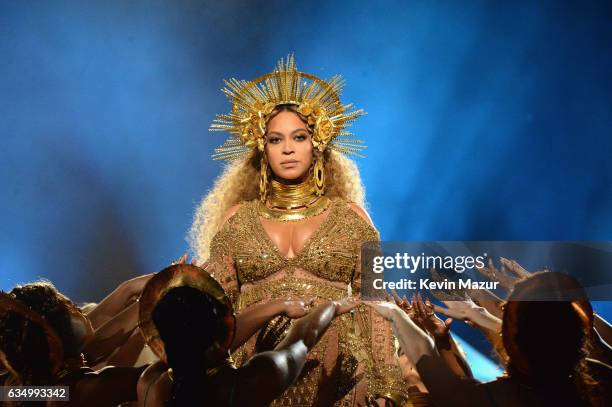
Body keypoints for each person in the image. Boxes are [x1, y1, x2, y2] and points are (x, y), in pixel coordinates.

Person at [189, 55, 407, 406]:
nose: (288, 148)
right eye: (275, 140)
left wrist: (387, 388)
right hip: (252, 379)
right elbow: (218, 311)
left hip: (339, 379)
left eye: (299, 136)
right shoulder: (237, 220)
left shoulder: (351, 217)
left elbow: (374, 302)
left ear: (317, 142)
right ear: (263, 148)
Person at [368, 271, 608, 406]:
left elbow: (449, 387)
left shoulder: (504, 399)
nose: (500, 318)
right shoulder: (599, 380)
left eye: (505, 313)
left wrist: (395, 315)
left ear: (515, 341)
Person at [136, 263, 359, 406]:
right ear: (221, 330)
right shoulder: (248, 384)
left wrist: (278, 304)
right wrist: (333, 306)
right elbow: (303, 336)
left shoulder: (150, 384)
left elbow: (192, 346)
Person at [0, 281, 146, 406]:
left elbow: (95, 347)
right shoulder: (71, 391)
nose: (80, 310)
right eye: (69, 306)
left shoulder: (30, 389)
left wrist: (129, 290)